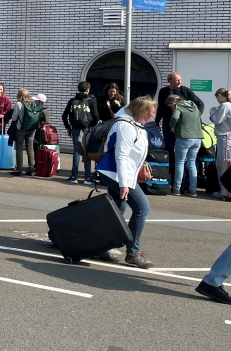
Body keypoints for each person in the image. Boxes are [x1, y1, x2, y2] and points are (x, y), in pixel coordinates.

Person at [95, 95, 158, 269]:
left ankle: (101, 246)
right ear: (143, 111)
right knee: (142, 208)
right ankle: (133, 252)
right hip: (116, 173)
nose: (153, 116)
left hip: (117, 173)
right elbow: (121, 155)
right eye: (151, 112)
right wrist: (124, 183)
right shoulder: (126, 126)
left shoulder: (132, 125)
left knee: (117, 209)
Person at [157, 72, 205, 192]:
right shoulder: (163, 92)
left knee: (182, 159)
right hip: (168, 125)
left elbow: (200, 103)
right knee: (171, 152)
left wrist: (194, 116)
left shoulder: (185, 91)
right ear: (170, 80)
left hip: (181, 128)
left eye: (180, 80)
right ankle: (173, 180)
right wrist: (157, 121)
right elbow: (160, 108)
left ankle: (180, 186)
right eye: (176, 80)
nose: (179, 82)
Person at [63, 81, 100, 186]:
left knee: (76, 151)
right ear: (88, 90)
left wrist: (68, 127)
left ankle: (73, 176)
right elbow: (96, 116)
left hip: (75, 128)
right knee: (86, 152)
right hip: (87, 129)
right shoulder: (92, 101)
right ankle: (87, 178)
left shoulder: (72, 101)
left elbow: (64, 115)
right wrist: (91, 125)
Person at [166, 94, 203, 197]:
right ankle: (192, 190)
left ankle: (176, 189)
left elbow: (174, 117)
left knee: (180, 163)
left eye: (170, 106)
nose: (171, 108)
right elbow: (200, 119)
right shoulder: (194, 106)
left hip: (184, 137)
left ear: (173, 103)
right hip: (197, 138)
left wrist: (172, 126)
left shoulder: (178, 107)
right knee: (192, 163)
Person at [9, 88, 42, 176]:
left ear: (19, 95)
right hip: (31, 129)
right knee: (30, 149)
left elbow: (14, 118)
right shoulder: (32, 104)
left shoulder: (19, 104)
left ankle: (19, 169)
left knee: (19, 148)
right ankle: (31, 168)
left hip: (21, 129)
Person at [212, 88, 231, 201]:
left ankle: (223, 190)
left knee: (222, 164)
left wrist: (212, 112)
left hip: (224, 137)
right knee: (227, 164)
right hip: (227, 137)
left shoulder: (225, 105)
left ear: (220, 95)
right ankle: (226, 189)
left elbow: (217, 120)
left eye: (217, 97)